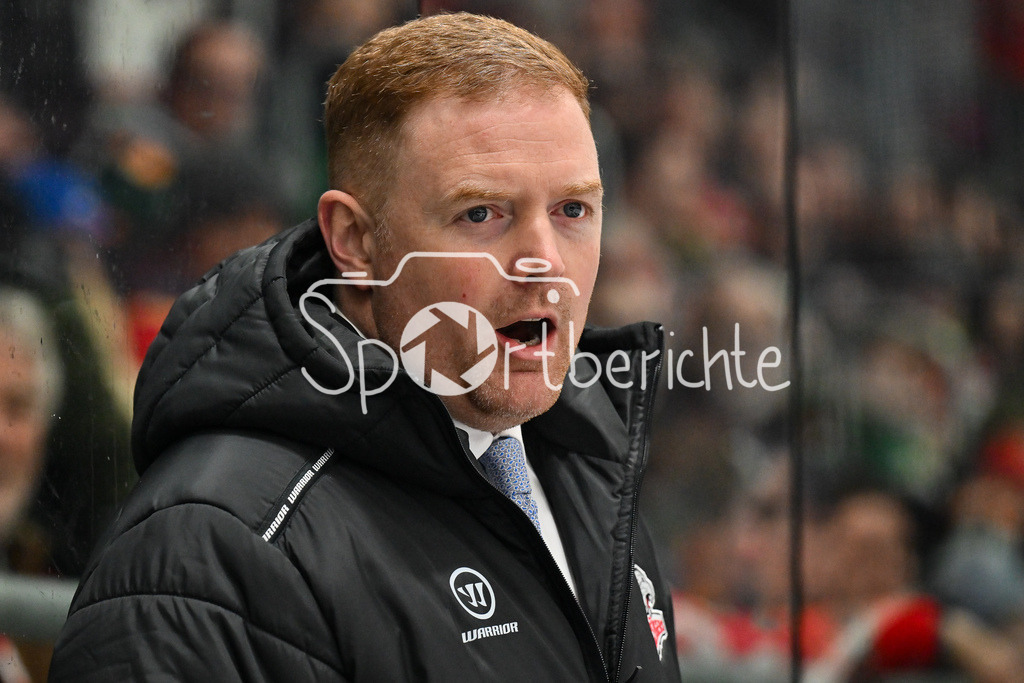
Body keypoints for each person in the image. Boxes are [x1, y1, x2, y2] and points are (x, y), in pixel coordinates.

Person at [48, 13, 680, 682]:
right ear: (354, 239)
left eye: (573, 210)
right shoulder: (212, 553)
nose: (545, 263)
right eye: (481, 214)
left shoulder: (589, 468)